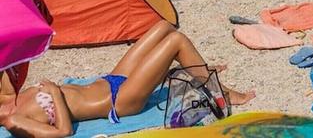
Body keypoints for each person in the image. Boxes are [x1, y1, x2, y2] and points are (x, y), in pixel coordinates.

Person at [0, 21, 254, 137]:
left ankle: (197, 67)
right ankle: (220, 92)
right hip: (118, 101)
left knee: (164, 27)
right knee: (176, 42)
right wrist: (55, 93)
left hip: (109, 81)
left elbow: (9, 46)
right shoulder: (13, 120)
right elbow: (63, 132)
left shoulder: (8, 95)